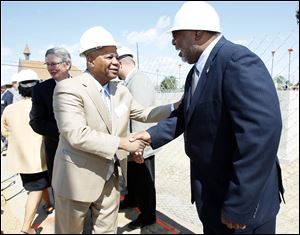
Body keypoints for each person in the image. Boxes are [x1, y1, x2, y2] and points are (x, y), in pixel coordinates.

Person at [131, 1, 284, 234]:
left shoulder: (236, 61)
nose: (172, 42)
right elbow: (185, 116)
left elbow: (260, 136)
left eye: (176, 34)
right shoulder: (196, 71)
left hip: (241, 205)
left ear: (197, 32)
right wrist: (150, 135)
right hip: (213, 197)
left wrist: (239, 204)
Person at [51, 26, 174, 234]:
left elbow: (143, 113)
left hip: (110, 181)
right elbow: (76, 134)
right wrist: (123, 143)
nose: (117, 62)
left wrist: (175, 107)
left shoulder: (120, 90)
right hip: (76, 181)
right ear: (91, 60)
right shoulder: (68, 89)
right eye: (110, 57)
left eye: (117, 57)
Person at [1, 69, 53, 234]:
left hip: (22, 158)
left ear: (19, 88)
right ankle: (25, 228)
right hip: (40, 156)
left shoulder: (10, 109)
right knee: (36, 187)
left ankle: (49, 204)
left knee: (39, 183)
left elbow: (5, 131)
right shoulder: (45, 105)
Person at [117, 46, 157, 229]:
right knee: (133, 179)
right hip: (130, 144)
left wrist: (138, 147)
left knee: (144, 184)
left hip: (139, 145)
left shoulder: (138, 80)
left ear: (121, 63)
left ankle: (147, 216)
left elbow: (142, 116)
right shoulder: (129, 81)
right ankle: (132, 200)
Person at [29, 47, 72, 183]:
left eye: (54, 64)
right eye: (47, 64)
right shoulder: (40, 90)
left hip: (85, 150)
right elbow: (36, 122)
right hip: (57, 149)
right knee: (61, 190)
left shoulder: (84, 84)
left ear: (67, 64)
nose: (50, 68)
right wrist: (63, 132)